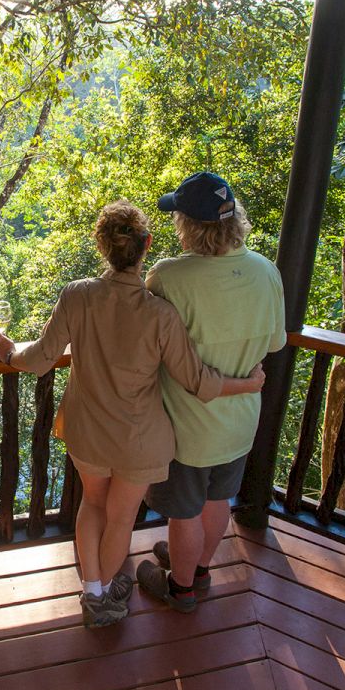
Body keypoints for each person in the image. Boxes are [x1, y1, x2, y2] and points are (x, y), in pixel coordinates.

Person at [0, 199, 264, 628]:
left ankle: (94, 592)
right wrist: (248, 385)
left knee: (92, 505)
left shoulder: (77, 296)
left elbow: (41, 357)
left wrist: (9, 353)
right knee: (121, 518)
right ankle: (104, 597)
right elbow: (198, 381)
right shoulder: (161, 314)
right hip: (140, 440)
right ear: (147, 245)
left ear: (102, 247)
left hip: (87, 429)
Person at [137, 172, 286, 613]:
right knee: (218, 499)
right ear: (234, 218)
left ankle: (180, 588)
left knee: (183, 513)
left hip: (188, 424)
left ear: (188, 226)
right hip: (241, 420)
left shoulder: (170, 276)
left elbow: (144, 338)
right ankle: (200, 567)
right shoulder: (266, 271)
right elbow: (274, 344)